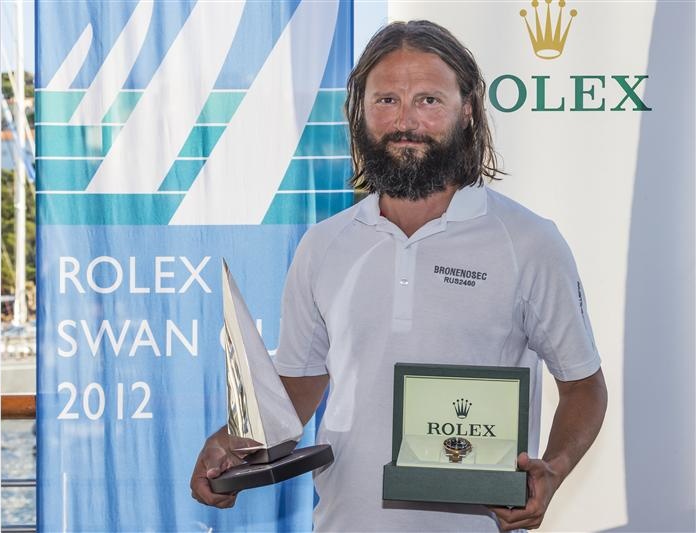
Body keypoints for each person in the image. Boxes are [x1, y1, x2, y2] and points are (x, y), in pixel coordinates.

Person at [191, 19, 607, 532]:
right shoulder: (324, 245)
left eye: (428, 100)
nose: (405, 121)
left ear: (468, 110)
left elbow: (585, 389)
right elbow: (297, 390)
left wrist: (555, 469)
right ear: (359, 111)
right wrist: (235, 441)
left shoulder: (527, 242)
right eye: (386, 100)